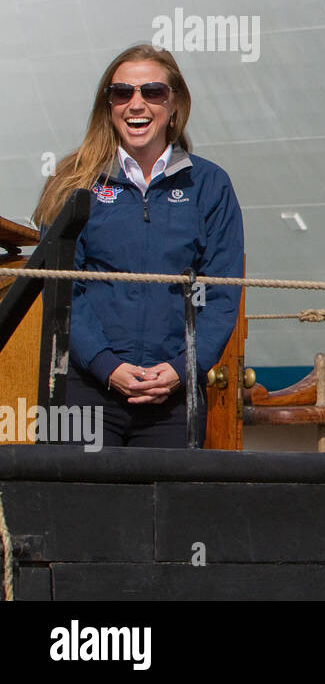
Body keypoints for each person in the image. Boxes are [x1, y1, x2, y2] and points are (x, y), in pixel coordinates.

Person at [34, 44, 244, 448]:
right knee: (78, 509)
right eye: (122, 93)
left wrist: (183, 369)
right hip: (84, 389)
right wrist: (106, 365)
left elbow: (222, 293)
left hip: (172, 400)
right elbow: (61, 289)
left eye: (152, 92)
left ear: (174, 103)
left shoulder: (209, 186)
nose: (136, 104)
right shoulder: (74, 181)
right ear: (108, 104)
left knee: (163, 511)